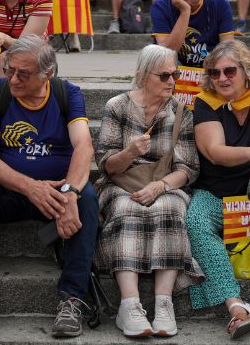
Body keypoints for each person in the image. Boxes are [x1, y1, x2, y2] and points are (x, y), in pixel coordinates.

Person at [0, 37, 98, 338]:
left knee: (87, 196)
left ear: (47, 74)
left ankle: (72, 298)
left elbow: (84, 146)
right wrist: (30, 187)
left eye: (23, 73)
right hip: (9, 192)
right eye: (10, 70)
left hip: (56, 194)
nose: (13, 78)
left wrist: (71, 193)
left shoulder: (67, 94)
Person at [185, 40, 250, 338]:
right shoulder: (206, 102)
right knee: (194, 220)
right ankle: (235, 306)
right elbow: (215, 152)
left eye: (230, 71)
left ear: (246, 71)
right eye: (215, 72)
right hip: (216, 194)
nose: (222, 78)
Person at [96, 45, 202, 338]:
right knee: (125, 208)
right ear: (143, 76)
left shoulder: (180, 112)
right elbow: (106, 165)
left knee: (168, 208)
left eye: (175, 75)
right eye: (164, 75)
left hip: (165, 183)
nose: (172, 81)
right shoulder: (117, 106)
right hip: (121, 183)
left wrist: (160, 186)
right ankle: (129, 305)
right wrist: (129, 152)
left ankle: (163, 303)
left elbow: (188, 168)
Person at [151, 0, 234, 87]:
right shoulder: (161, 6)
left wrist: (210, 69)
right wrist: (185, 12)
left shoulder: (220, 4)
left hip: (211, 69)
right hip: (173, 69)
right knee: (162, 67)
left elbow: (228, 49)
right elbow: (167, 55)